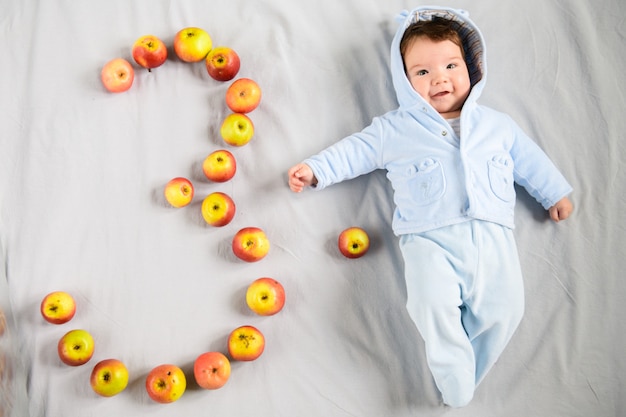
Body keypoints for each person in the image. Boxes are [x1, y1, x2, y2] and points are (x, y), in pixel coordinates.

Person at [287, 6, 573, 408]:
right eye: (421, 72)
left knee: (507, 308)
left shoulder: (498, 125)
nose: (438, 77)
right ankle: (453, 374)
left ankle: (467, 367)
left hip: (492, 236)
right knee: (431, 305)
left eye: (451, 65)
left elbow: (530, 161)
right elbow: (356, 151)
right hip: (427, 240)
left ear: (472, 67)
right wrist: (316, 170)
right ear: (404, 82)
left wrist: (554, 192)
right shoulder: (395, 128)